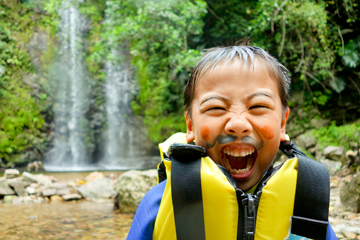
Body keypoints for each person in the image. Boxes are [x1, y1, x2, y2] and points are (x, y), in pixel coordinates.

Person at [127, 43, 338, 240]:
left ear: (282, 124)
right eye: (216, 108)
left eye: (258, 107)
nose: (238, 124)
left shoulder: (306, 202)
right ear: (190, 126)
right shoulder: (161, 202)